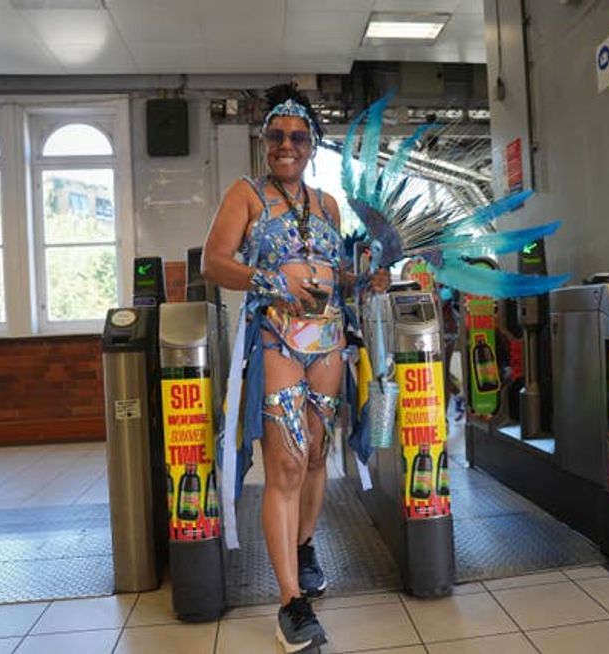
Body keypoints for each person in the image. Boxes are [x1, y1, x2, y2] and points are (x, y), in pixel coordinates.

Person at [202, 83, 388, 653]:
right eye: (277, 136)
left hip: (329, 342)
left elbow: (335, 273)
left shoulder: (326, 205)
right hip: (277, 339)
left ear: (312, 145)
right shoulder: (246, 194)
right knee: (282, 464)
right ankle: (290, 601)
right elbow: (215, 261)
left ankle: (304, 547)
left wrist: (365, 280)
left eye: (298, 137)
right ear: (264, 142)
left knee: (313, 455)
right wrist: (268, 281)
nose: (287, 145)